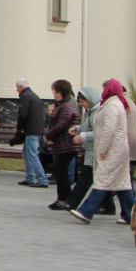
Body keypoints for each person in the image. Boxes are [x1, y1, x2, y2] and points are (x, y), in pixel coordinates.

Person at [70, 79, 136, 225]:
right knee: (122, 184)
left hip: (114, 150)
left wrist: (103, 149)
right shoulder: (113, 103)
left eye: (105, 88)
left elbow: (109, 129)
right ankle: (132, 215)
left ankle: (86, 211)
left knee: (103, 180)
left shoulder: (112, 105)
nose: (103, 91)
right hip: (118, 148)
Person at [43, 79, 81, 210]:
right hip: (62, 143)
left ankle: (64, 198)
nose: (53, 93)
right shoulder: (62, 105)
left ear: (59, 93)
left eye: (54, 91)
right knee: (60, 170)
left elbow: (62, 124)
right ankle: (65, 198)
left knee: (60, 170)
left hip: (67, 144)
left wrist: (48, 135)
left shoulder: (67, 106)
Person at [15, 79, 48, 188]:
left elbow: (23, 114)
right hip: (36, 129)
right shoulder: (34, 96)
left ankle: (42, 179)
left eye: (17, 87)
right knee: (26, 153)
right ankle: (29, 177)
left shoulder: (26, 97)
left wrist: (19, 128)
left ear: (21, 87)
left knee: (32, 154)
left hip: (31, 130)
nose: (16, 90)